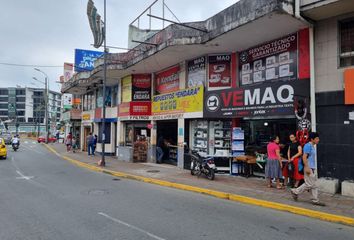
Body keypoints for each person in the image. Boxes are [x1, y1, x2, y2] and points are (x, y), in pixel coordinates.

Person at [291, 132, 325, 206]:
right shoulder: (308, 146)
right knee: (309, 184)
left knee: (314, 185)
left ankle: (315, 200)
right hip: (308, 167)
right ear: (312, 139)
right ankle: (295, 191)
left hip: (311, 167)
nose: (318, 140)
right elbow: (304, 157)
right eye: (317, 138)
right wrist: (307, 167)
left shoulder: (312, 146)